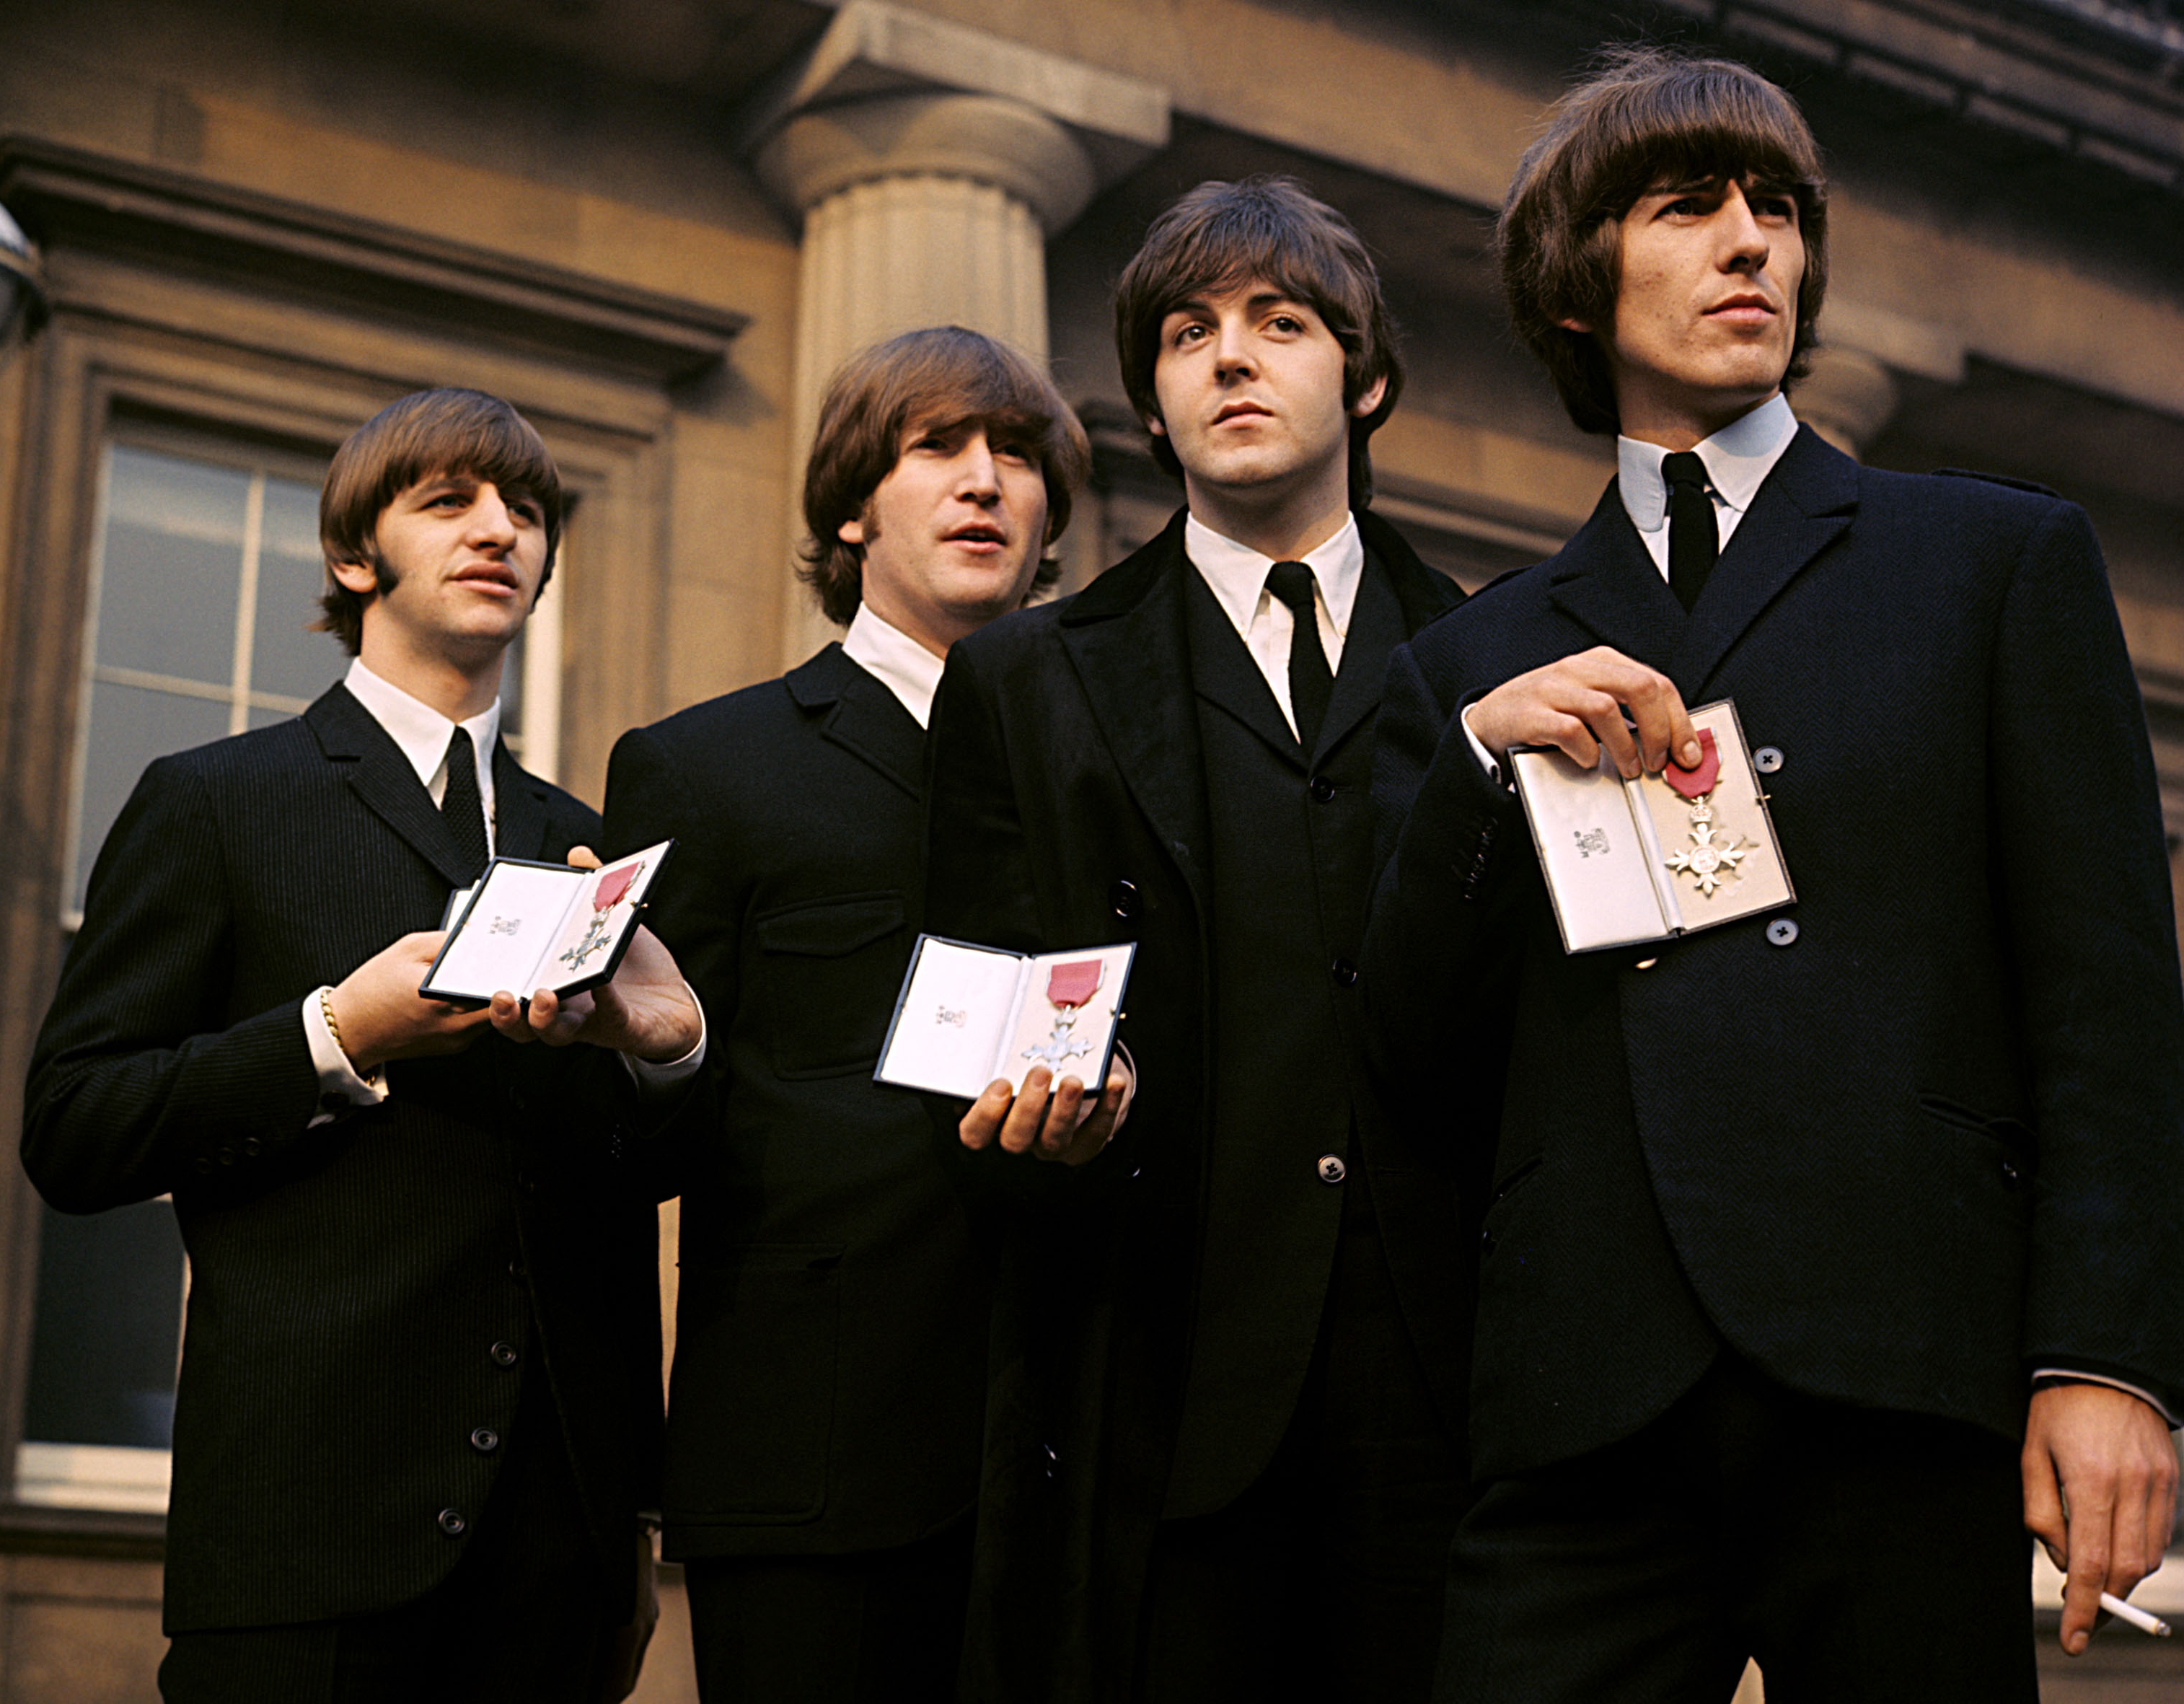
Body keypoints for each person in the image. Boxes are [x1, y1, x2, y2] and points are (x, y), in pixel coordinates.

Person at [1365, 48, 2184, 1702]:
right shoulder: (1471, 652)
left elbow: (2103, 998)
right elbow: (1407, 1056)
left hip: (1892, 1366)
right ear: (1577, 287)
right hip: (1578, 1396)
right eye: (1686, 208)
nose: (1751, 242)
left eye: (1775, 210)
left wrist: (2105, 1357)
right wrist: (1471, 769)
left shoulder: (1992, 557)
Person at [25, 387, 703, 1704]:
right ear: (354, 556)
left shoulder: (584, 841)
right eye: (448, 502)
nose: (498, 528)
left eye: (525, 509)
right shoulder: (216, 801)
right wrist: (337, 1032)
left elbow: (628, 1189)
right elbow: (75, 1123)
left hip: (556, 1557)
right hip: (304, 1534)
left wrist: (666, 1052)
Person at [921, 177, 1473, 1703]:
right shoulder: (1025, 679)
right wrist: (1041, 1118)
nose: (1229, 358)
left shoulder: (1499, 654)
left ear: (1362, 380)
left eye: (1278, 323)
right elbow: (967, 1030)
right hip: (1156, 1409)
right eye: (1187, 333)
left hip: (1447, 1411)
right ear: (1151, 403)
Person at [599, 325, 1112, 1703]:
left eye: (1017, 456)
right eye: (939, 447)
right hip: (814, 1462)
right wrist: (671, 1052)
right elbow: (626, 1151)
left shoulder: (1116, 763)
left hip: (1085, 1457)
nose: (987, 480)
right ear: (850, 505)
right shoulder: (703, 767)